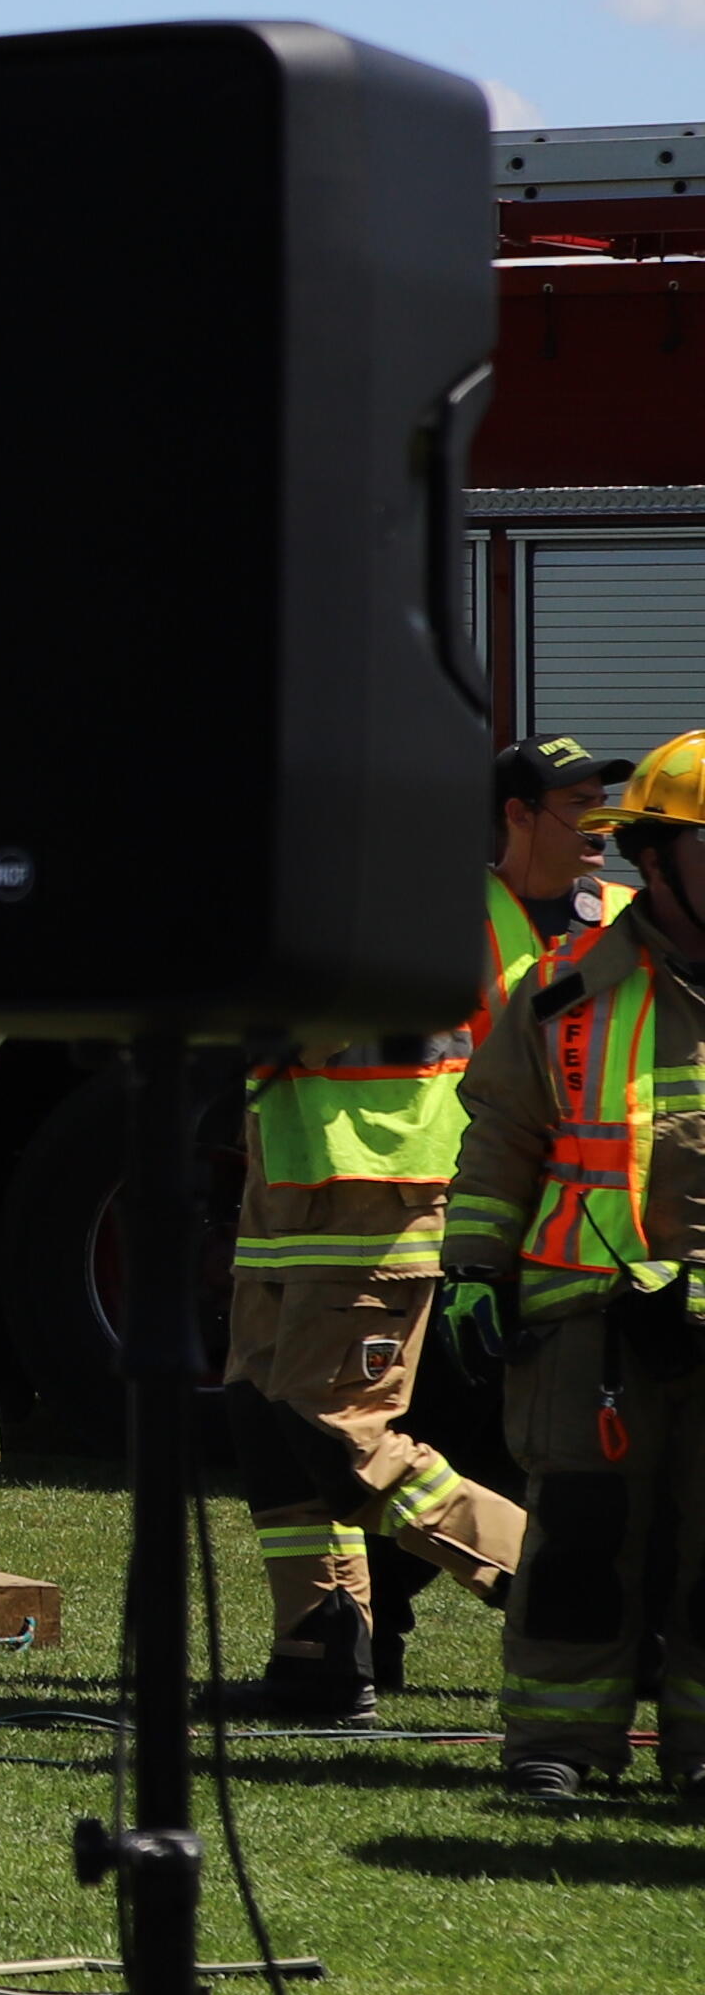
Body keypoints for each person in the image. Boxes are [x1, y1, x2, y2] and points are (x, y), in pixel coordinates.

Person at [228, 734, 599, 1718]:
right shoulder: (397, 895)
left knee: (341, 1434)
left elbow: (294, 1023)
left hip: (378, 1191)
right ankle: (320, 1653)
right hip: (298, 1185)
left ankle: (581, 1603)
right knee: (271, 1425)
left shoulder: (387, 899)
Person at [446, 724, 705, 1806]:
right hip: (587, 1327)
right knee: (580, 1541)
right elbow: (503, 1135)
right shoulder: (564, 989)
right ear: (656, 857)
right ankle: (558, 1741)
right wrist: (472, 1267)